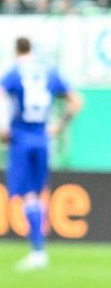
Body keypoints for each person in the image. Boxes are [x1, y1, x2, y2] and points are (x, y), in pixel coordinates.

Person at [3, 37, 82, 270]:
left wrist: (3, 129)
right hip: (42, 138)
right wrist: (59, 125)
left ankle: (38, 251)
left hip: (20, 137)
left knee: (27, 195)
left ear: (16, 50)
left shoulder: (13, 73)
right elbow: (76, 101)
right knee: (37, 194)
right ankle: (38, 249)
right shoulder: (50, 71)